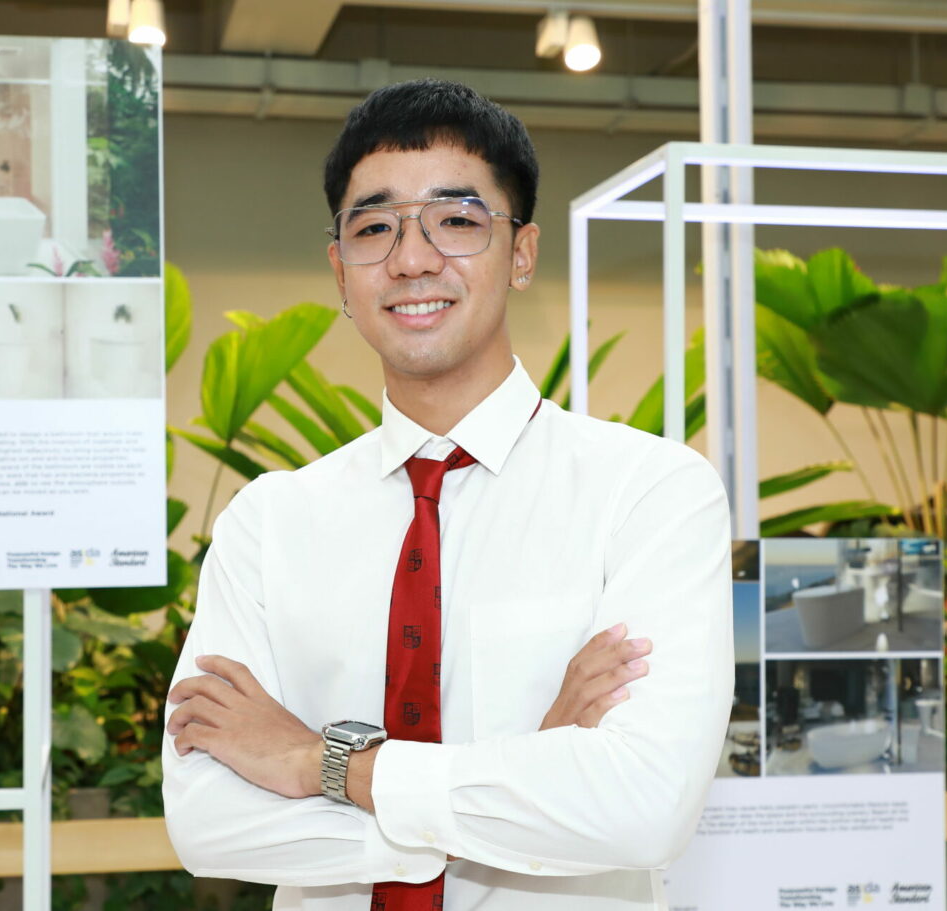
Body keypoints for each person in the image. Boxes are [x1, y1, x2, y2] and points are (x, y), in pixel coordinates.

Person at [162, 79, 733, 911]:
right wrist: (531, 771)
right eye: (374, 228)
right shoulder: (269, 522)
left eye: (456, 220)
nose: (412, 258)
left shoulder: (648, 493)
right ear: (340, 272)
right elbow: (208, 823)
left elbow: (643, 806)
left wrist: (321, 762)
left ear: (522, 252)